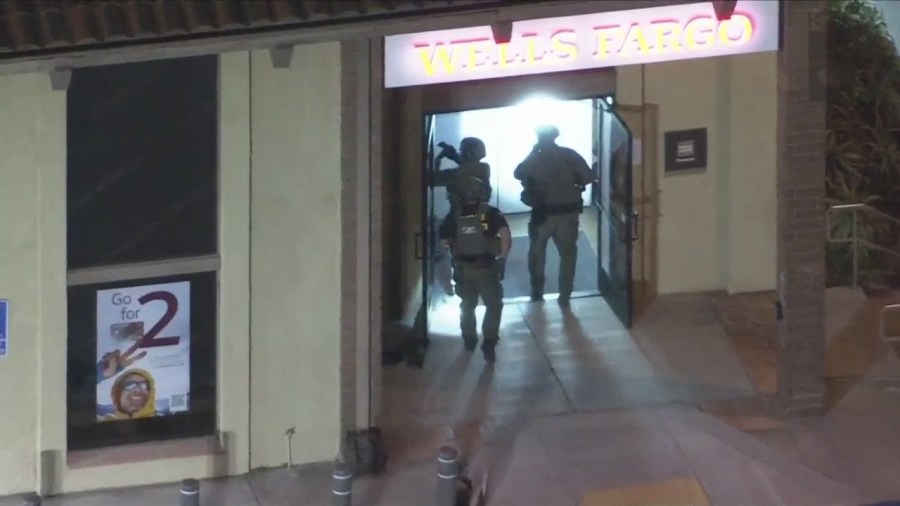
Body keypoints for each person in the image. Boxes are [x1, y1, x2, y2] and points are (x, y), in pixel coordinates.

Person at [514, 124, 593, 308]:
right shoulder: (569, 155)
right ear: (555, 136)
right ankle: (565, 294)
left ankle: (537, 292)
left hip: (543, 215)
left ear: (538, 137)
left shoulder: (534, 158)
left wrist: (532, 151)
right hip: (568, 214)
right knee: (568, 253)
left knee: (537, 253)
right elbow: (588, 177)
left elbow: (518, 173)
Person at [438, 176, 511, 362]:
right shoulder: (491, 213)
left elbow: (445, 244)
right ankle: (489, 341)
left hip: (463, 268)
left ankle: (469, 339)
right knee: (493, 305)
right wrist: (501, 257)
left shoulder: (453, 216)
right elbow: (505, 237)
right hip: (486, 267)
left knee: (467, 305)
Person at [434, 137, 492, 211]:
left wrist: (437, 160)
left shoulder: (454, 174)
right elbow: (469, 166)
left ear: (468, 154)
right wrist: (454, 156)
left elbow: (432, 179)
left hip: (458, 216)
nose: (460, 152)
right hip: (481, 211)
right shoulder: (484, 168)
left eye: (461, 151)